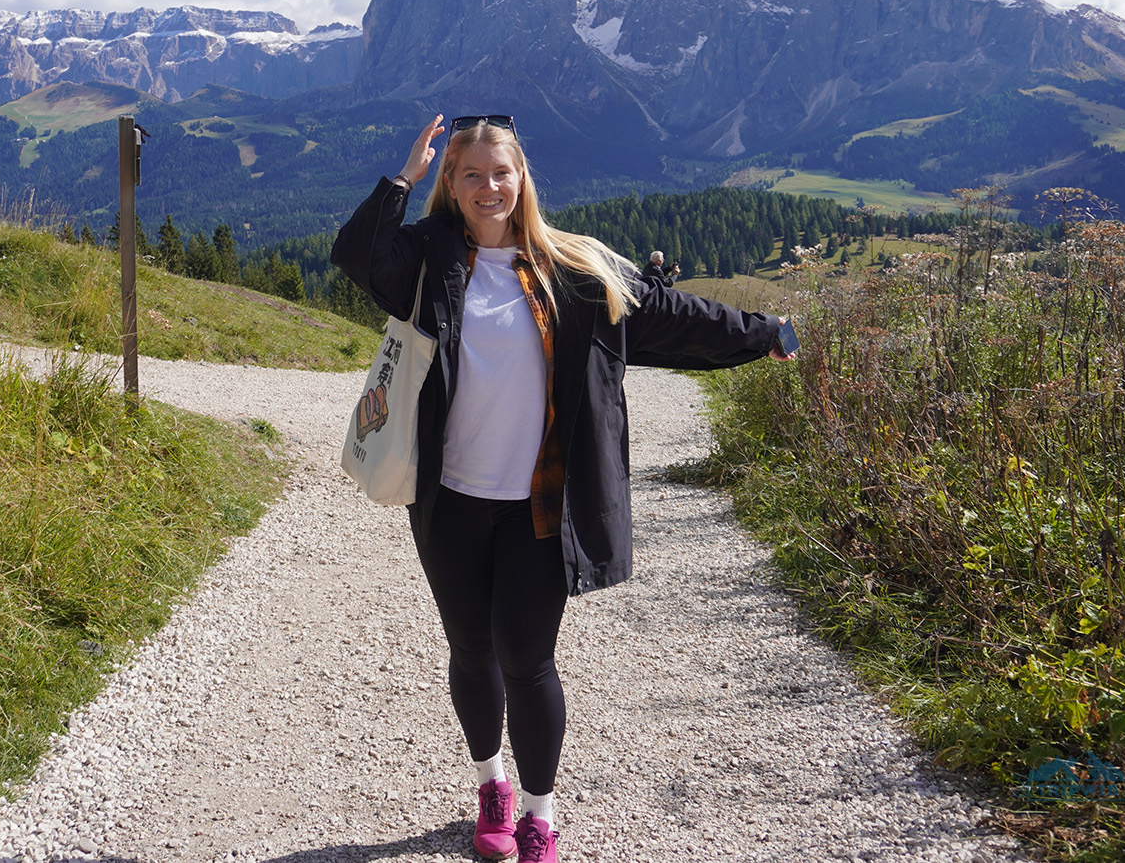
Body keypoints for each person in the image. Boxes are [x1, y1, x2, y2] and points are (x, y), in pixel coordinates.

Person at [330, 114, 794, 863]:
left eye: (500, 173)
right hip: (448, 501)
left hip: (541, 509)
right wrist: (402, 178)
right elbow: (356, 253)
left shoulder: (574, 270)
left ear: (523, 179)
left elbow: (674, 318)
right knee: (470, 648)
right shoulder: (427, 260)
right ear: (451, 183)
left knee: (527, 658)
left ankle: (538, 815)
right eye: (471, 174)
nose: (489, 188)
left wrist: (765, 332)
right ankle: (491, 785)